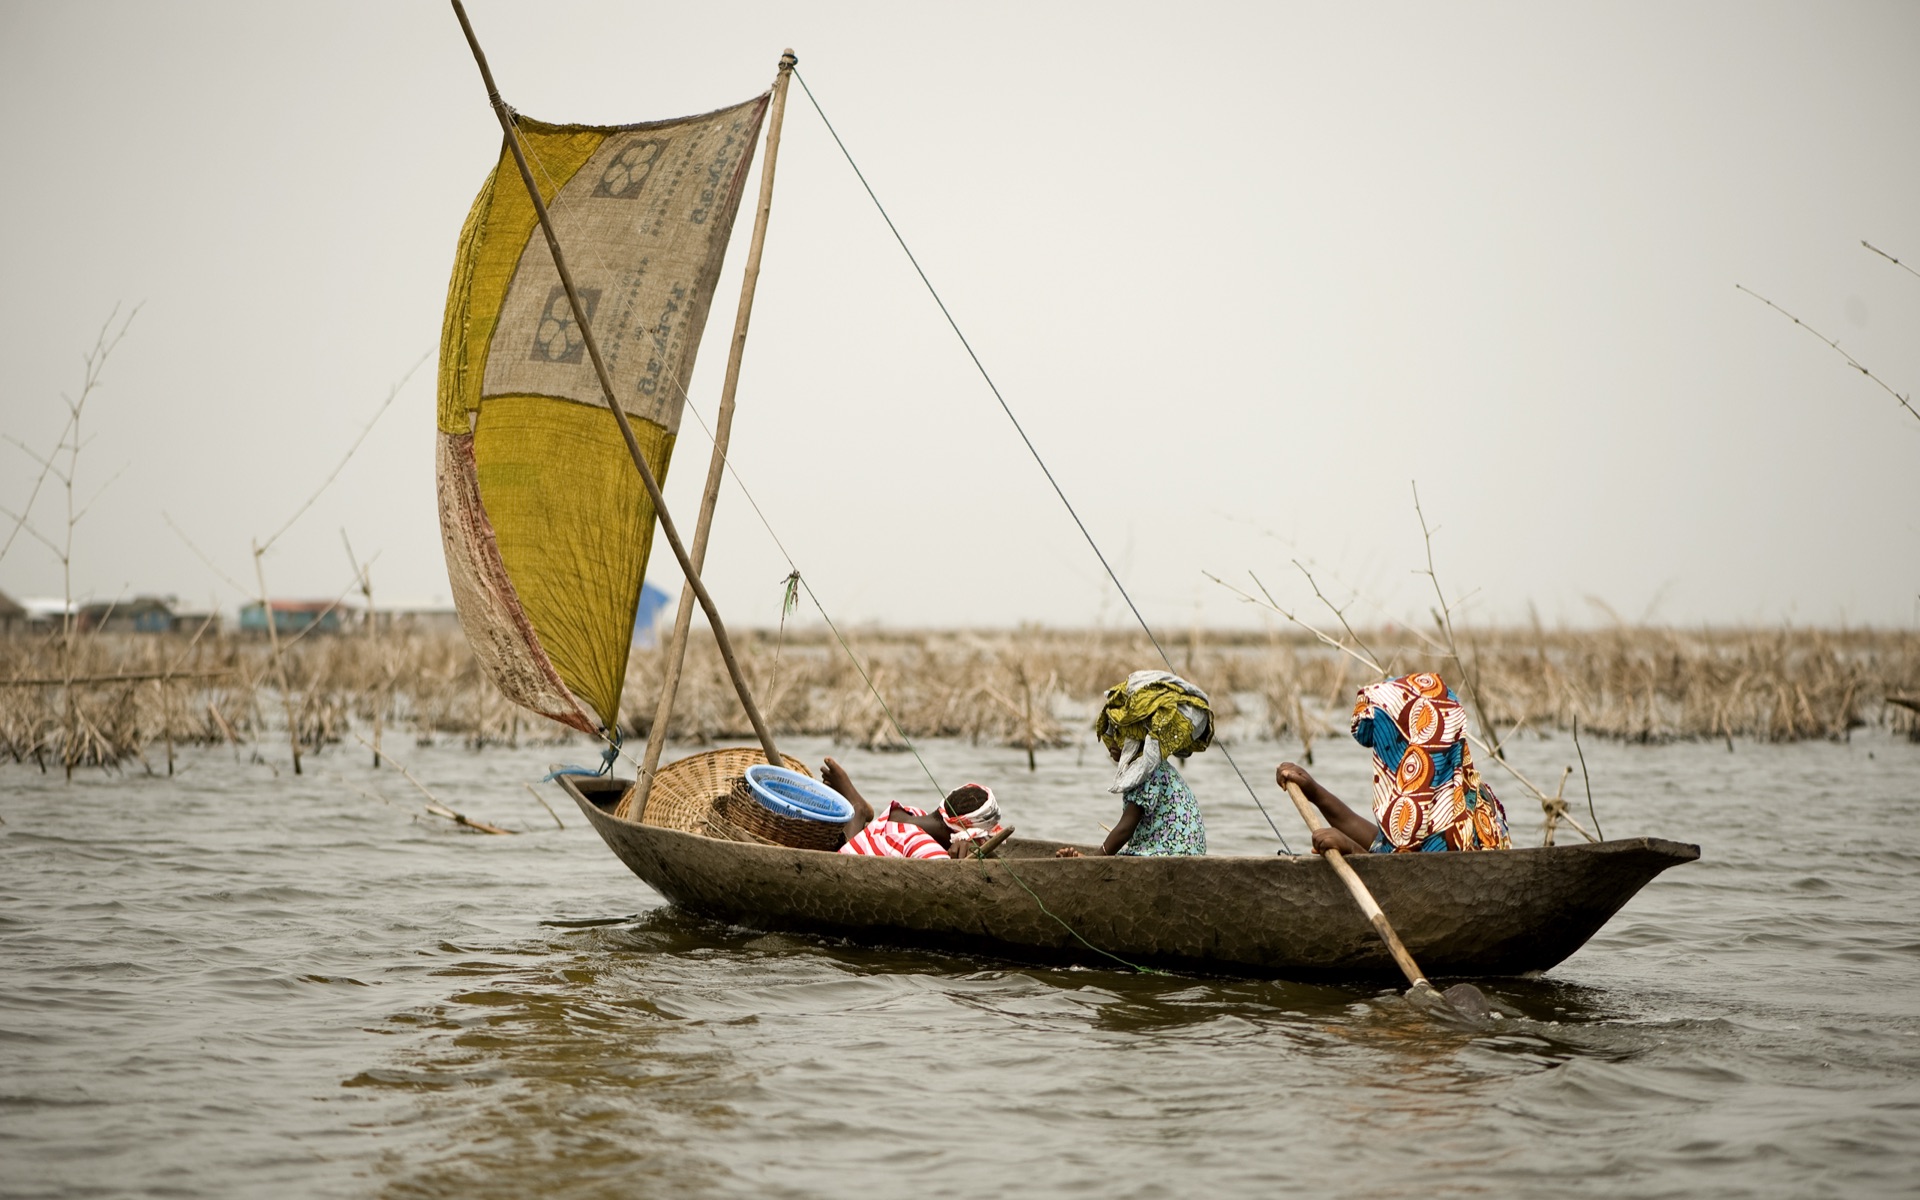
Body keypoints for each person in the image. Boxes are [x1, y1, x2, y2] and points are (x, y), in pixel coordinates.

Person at [1278, 671, 1510, 856]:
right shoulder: (1454, 793)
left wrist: (1352, 851)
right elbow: (1386, 847)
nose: (1384, 762)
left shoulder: (1457, 825)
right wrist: (1314, 792)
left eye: (1389, 747)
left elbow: (1412, 884)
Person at [1056, 670, 1211, 857]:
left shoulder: (1143, 770)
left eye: (1120, 736)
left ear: (1137, 742)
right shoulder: (1156, 767)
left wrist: (1095, 859)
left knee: (1113, 857)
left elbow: (1125, 828)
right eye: (1113, 735)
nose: (1113, 743)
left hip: (1170, 854)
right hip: (1181, 852)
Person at [820, 756, 1003, 860]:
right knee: (845, 856)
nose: (983, 844)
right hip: (844, 861)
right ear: (963, 834)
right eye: (982, 839)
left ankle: (858, 811)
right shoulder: (929, 850)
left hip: (862, 846)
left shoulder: (910, 813)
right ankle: (857, 810)